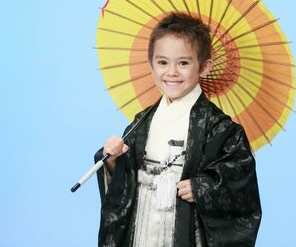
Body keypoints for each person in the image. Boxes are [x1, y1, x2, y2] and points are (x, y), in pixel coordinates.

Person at [95, 12, 262, 247]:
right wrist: (113, 161)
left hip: (184, 222)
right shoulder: (143, 120)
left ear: (204, 66)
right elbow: (124, 180)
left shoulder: (220, 128)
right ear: (151, 64)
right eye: (162, 62)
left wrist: (203, 188)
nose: (172, 72)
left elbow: (239, 181)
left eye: (183, 63)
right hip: (142, 217)